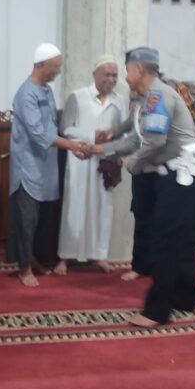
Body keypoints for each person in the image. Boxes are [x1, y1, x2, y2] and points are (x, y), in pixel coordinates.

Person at [92, 47, 195, 326]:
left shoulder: (158, 95)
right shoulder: (148, 98)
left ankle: (157, 311)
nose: (125, 77)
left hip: (182, 173)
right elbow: (136, 139)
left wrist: (135, 163)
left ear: (138, 69)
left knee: (165, 241)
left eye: (127, 70)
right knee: (181, 239)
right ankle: (184, 297)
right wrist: (100, 149)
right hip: (182, 173)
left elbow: (154, 142)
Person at [7, 43, 90, 287]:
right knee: (26, 221)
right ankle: (23, 268)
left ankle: (32, 258)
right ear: (41, 65)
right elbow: (38, 134)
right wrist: (72, 145)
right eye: (56, 66)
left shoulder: (46, 90)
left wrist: (73, 146)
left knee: (40, 222)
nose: (58, 71)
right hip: (27, 169)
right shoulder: (26, 94)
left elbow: (52, 127)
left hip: (46, 167)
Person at [54, 56, 127, 275]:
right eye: (107, 74)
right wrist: (90, 136)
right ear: (94, 75)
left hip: (105, 161)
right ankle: (65, 256)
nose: (111, 79)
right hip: (80, 159)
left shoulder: (119, 101)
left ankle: (99, 255)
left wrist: (118, 151)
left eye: (114, 75)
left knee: (103, 208)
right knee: (74, 207)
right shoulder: (77, 97)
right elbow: (65, 128)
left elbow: (124, 132)